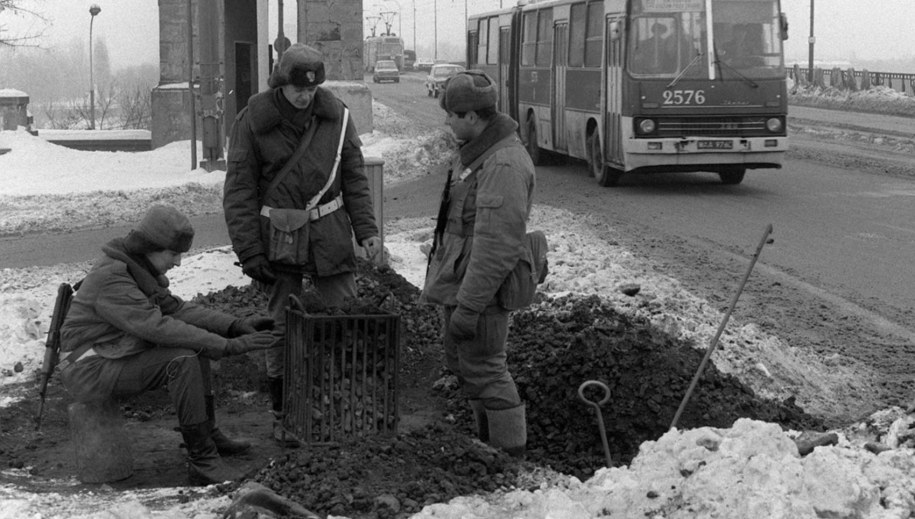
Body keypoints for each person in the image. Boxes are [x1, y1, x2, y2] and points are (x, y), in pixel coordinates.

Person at [223, 43, 382, 447]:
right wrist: (249, 251)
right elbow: (239, 191)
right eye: (297, 88)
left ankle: (345, 403)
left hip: (329, 231)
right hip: (278, 237)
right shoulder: (251, 121)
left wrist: (366, 231)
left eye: (311, 89)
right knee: (281, 328)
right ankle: (283, 413)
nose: (304, 95)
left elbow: (355, 180)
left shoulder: (338, 118)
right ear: (280, 82)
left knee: (345, 315)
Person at [58, 204, 277, 485]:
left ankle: (207, 434)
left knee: (193, 346)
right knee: (181, 359)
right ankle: (203, 460)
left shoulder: (136, 268)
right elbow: (159, 328)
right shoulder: (113, 277)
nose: (178, 263)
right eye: (173, 254)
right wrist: (228, 346)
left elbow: (177, 310)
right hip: (86, 368)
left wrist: (234, 325)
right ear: (150, 247)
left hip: (109, 355)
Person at [420, 71, 536, 457]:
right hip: (462, 283)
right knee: (468, 368)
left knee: (487, 371)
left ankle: (509, 458)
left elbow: (496, 246)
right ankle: (487, 450)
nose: (447, 121)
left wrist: (469, 307)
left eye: (452, 114)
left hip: (480, 292)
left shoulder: (501, 164)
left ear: (472, 117)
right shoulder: (476, 154)